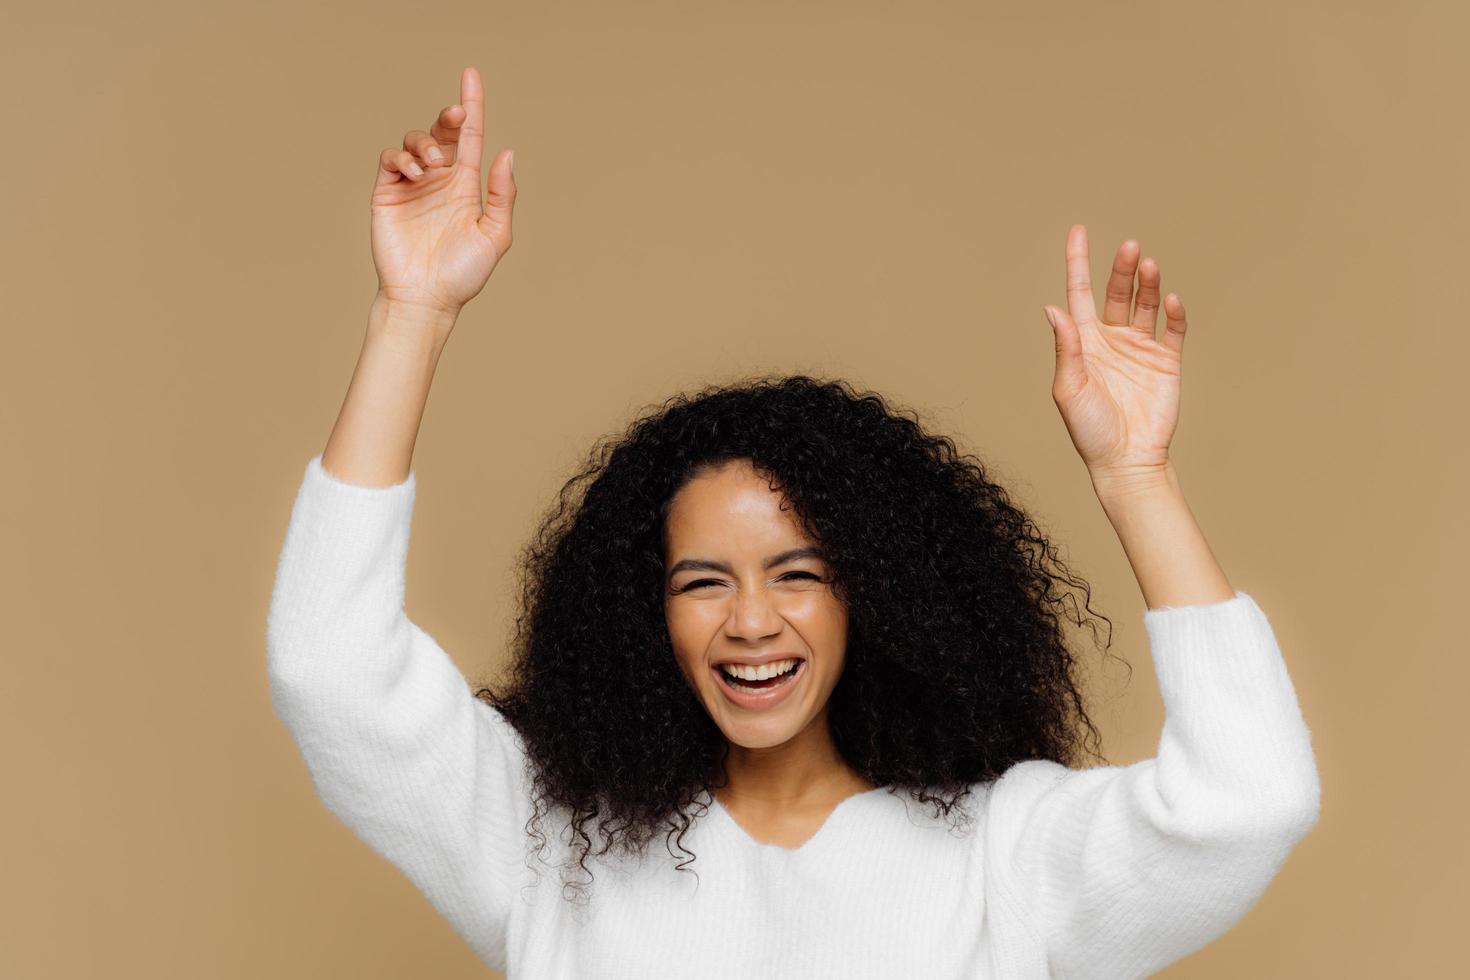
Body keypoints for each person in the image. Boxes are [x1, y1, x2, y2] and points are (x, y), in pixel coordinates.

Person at [266, 66, 1321, 979]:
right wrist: (412, 315)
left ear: (875, 591)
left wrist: (1135, 475)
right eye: (701, 580)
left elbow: (1250, 799)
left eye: (798, 572)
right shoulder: (553, 845)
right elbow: (330, 667)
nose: (751, 621)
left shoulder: (1003, 852)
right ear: (650, 617)